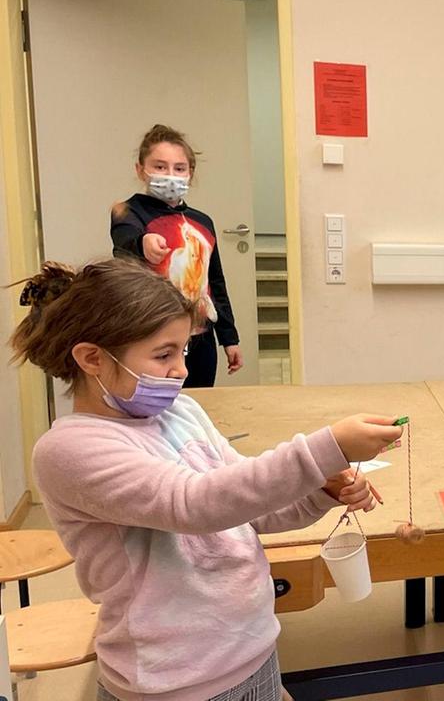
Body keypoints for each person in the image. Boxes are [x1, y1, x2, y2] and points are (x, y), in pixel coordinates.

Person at [8, 258, 402, 701]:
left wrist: (318, 490)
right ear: (92, 358)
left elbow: (244, 507)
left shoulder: (182, 413)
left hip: (251, 652)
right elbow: (194, 505)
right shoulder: (71, 450)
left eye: (184, 351)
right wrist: (323, 449)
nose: (181, 370)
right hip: (173, 682)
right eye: (163, 354)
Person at [111, 124, 241, 388]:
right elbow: (124, 243)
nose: (170, 175)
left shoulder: (202, 222)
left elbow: (215, 282)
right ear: (140, 169)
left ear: (190, 174)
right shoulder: (128, 212)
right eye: (159, 167)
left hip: (200, 336)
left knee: (198, 404)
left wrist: (229, 338)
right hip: (154, 335)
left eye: (179, 168)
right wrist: (143, 242)